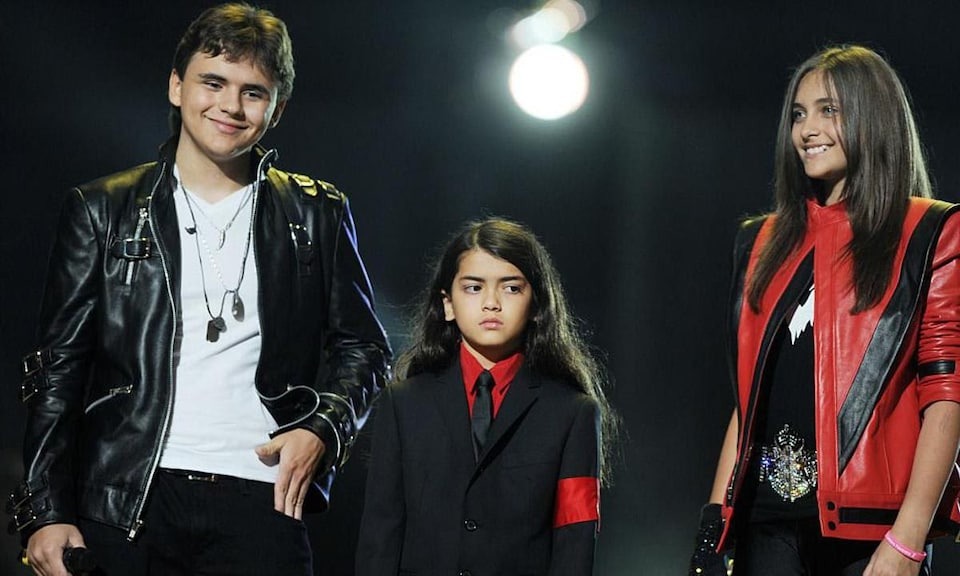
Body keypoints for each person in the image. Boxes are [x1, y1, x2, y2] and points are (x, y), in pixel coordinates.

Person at [9, 4, 391, 575]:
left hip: (262, 493)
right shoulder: (103, 208)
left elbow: (365, 348)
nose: (230, 106)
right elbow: (58, 367)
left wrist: (322, 430)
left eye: (252, 92)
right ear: (176, 86)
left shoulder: (316, 212)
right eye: (213, 82)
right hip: (127, 496)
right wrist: (44, 511)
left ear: (277, 109)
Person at [688, 45, 960, 576]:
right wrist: (712, 529)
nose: (807, 130)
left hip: (871, 532)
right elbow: (747, 403)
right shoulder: (760, 242)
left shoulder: (929, 232)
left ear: (872, 116)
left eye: (828, 110)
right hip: (764, 525)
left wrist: (907, 541)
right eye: (798, 114)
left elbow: (946, 397)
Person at [355, 217, 616, 576]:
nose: (491, 303)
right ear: (447, 304)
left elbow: (575, 542)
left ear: (537, 305)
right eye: (474, 288)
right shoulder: (403, 404)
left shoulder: (573, 413)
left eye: (511, 288)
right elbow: (380, 533)